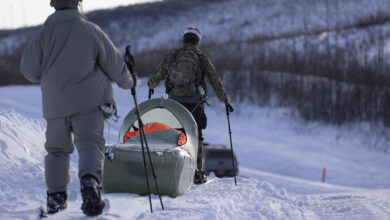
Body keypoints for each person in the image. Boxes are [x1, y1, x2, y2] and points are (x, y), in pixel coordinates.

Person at [19, 0, 134, 216]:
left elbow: (28, 70)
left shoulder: (42, 35)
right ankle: (90, 183)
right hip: (89, 101)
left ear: (53, 4)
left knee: (56, 150)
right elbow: (114, 64)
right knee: (90, 142)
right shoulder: (90, 31)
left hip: (55, 105)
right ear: (77, 4)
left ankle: (56, 197)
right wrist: (129, 81)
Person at [147, 26, 230, 184]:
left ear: (183, 40)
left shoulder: (173, 55)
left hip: (173, 102)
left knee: (172, 134)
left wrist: (151, 85)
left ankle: (170, 168)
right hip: (195, 103)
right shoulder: (202, 57)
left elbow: (158, 75)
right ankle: (196, 173)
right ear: (197, 41)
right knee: (196, 135)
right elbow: (214, 79)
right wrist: (224, 99)